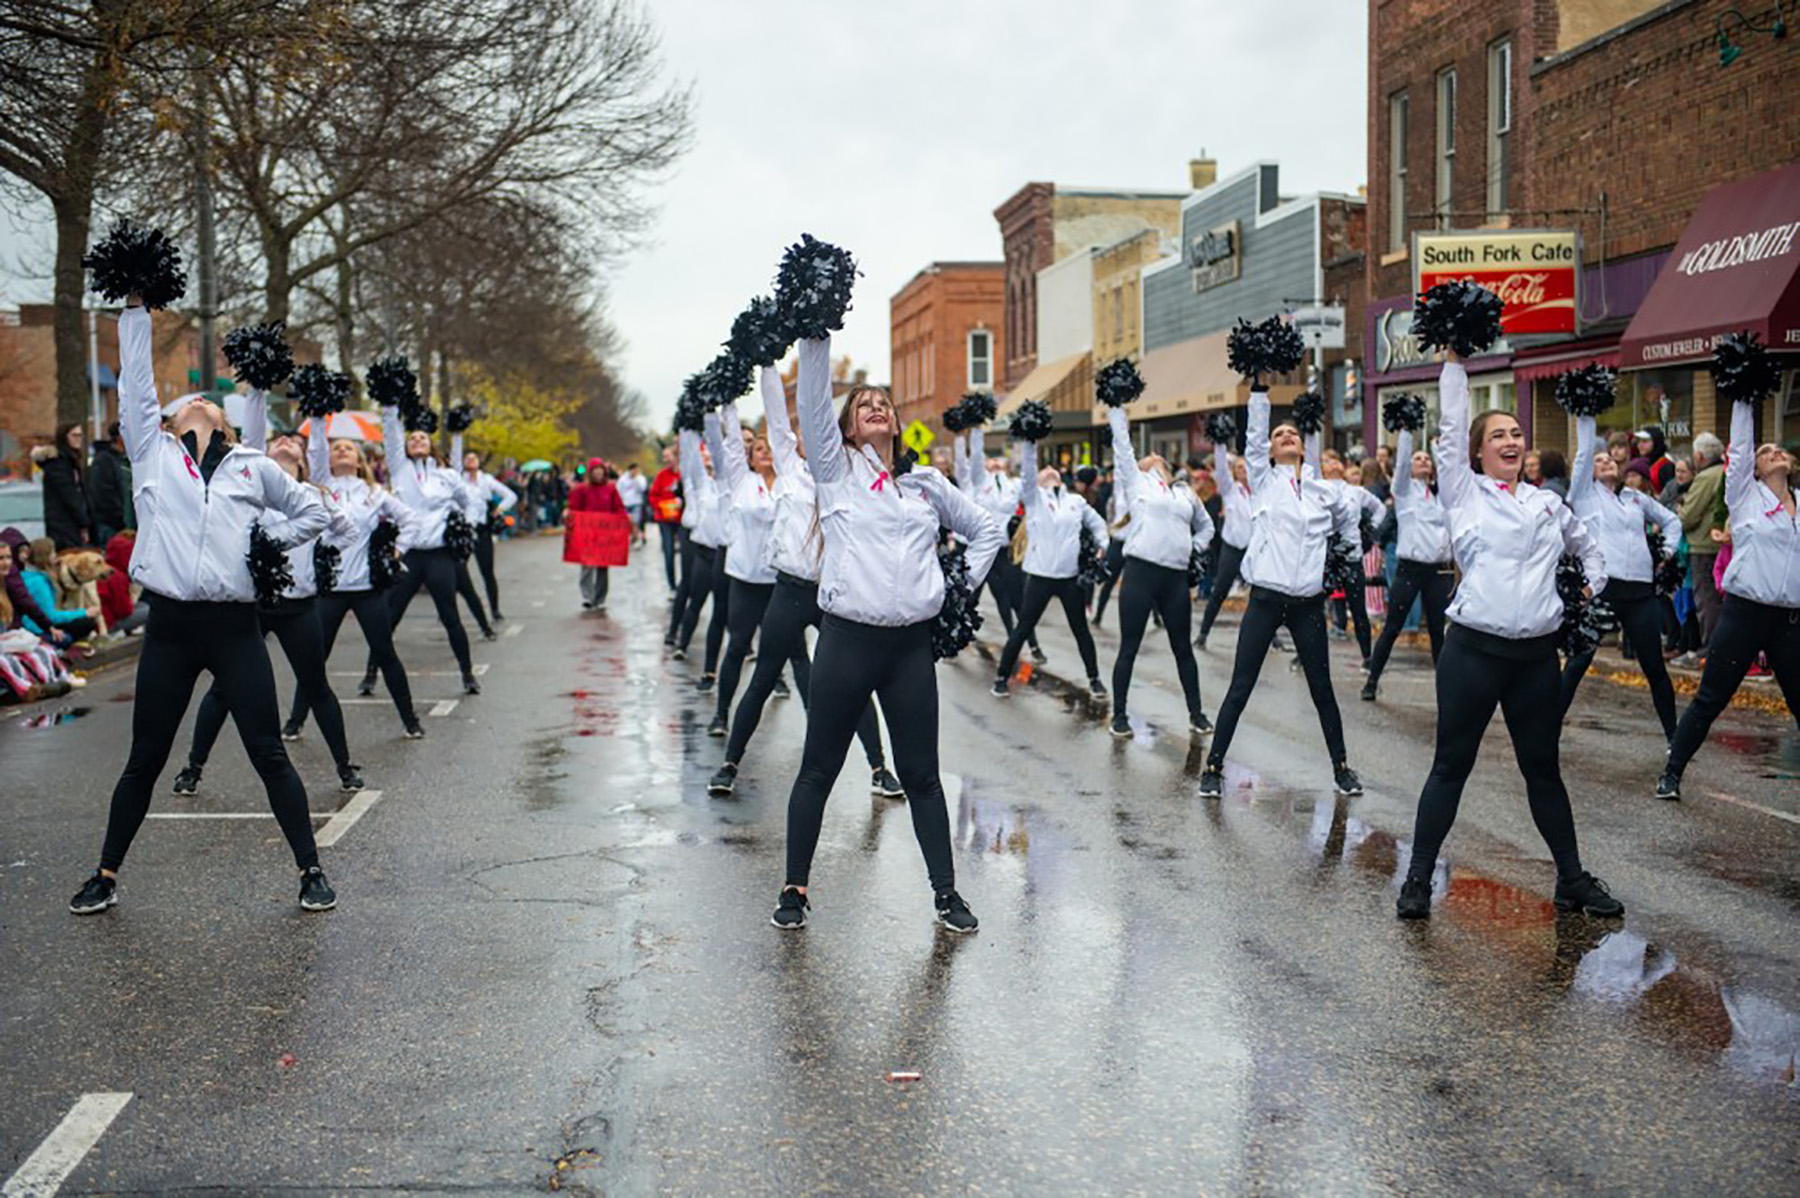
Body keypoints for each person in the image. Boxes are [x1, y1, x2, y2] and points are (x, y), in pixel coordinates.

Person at [71, 295, 335, 916]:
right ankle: (105, 874)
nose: (195, 403)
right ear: (168, 421)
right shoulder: (151, 455)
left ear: (225, 419)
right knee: (146, 758)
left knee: (268, 751)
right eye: (185, 402)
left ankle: (311, 870)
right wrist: (135, 309)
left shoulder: (251, 466)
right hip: (169, 628)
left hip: (234, 628)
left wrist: (269, 544)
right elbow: (135, 385)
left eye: (205, 401)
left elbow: (315, 510)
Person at [773, 334, 1002, 934]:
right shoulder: (834, 470)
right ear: (849, 428)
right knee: (818, 769)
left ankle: (946, 895)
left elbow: (987, 531)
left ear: (897, 424)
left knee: (922, 775)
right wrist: (815, 336)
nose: (876, 407)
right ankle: (794, 888)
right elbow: (816, 407)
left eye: (884, 403)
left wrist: (958, 592)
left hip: (908, 650)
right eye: (863, 404)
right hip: (846, 642)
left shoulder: (925, 484)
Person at [1396, 352, 1619, 921]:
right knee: (1451, 766)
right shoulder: (1463, 493)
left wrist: (1585, 592)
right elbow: (1450, 422)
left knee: (1543, 769)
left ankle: (1571, 879)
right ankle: (1418, 878)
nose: (1512, 440)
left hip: (1535, 659)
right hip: (1472, 651)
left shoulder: (1547, 502)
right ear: (1476, 451)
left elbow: (1590, 551)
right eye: (1498, 434)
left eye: (1517, 432)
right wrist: (1453, 361)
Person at [708, 364, 901, 800]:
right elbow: (779, 416)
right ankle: (729, 764)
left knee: (854, 684)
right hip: (790, 591)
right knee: (762, 679)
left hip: (833, 596)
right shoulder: (791, 470)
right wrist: (768, 363)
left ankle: (879, 768)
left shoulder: (846, 474)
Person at [179, 391, 364, 796]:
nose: (283, 443)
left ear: (301, 461)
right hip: (255, 607)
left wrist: (321, 556)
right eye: (276, 441)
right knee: (224, 689)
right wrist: (258, 392)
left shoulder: (313, 496)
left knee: (316, 686)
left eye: (291, 444)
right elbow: (252, 442)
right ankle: (192, 767)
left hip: (299, 607)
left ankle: (344, 767)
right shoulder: (252, 485)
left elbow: (345, 532)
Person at [1199, 386, 1362, 800]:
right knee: (1242, 685)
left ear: (1305, 447)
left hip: (1309, 604)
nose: (1286, 435)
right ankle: (1213, 767)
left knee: (1322, 688)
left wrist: (1346, 560)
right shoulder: (1264, 480)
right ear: (1269, 453)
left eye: (1293, 432)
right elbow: (1254, 438)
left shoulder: (1325, 490)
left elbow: (1351, 522)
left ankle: (1341, 768)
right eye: (1279, 435)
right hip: (1266, 600)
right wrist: (1258, 388)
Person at [1656, 411, 1798, 800]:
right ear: (1754, 466)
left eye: (1779, 448)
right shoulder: (1744, 497)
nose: (1774, 452)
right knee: (1711, 697)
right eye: (1765, 450)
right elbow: (1737, 447)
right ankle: (1671, 772)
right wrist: (1745, 399)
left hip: (1789, 620)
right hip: (1744, 613)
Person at [285, 418, 424, 740]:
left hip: (367, 590)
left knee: (385, 652)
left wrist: (397, 552)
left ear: (359, 459)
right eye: (337, 448)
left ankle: (410, 720)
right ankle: (295, 721)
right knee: (314, 658)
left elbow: (410, 520)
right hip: (329, 590)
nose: (343, 450)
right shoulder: (319, 488)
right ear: (328, 459)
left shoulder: (374, 494)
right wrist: (319, 423)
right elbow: (316, 450)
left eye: (349, 447)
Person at [1558, 411, 1685, 740]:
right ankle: (1546, 729)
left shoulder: (1634, 497)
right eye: (1599, 461)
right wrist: (1586, 416)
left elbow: (1672, 522)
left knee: (1655, 668)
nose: (1605, 463)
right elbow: (1584, 454)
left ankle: (1675, 738)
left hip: (1640, 593)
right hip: (1604, 590)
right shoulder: (1584, 496)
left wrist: (1666, 552)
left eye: (1609, 460)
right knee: (1578, 663)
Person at [1103, 397, 1215, 739]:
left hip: (1175, 577)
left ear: (1165, 466)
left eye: (1156, 461)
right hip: (1140, 571)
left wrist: (1192, 548)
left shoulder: (1185, 494)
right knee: (1130, 646)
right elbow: (1122, 446)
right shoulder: (1136, 483)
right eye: (1144, 461)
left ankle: (1196, 714)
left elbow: (1207, 528)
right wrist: (1116, 408)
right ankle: (1119, 715)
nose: (1151, 463)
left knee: (1182, 647)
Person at [990, 437, 1110, 699]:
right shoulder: (1034, 499)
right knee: (1023, 628)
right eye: (1045, 471)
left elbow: (1099, 524)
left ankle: (1094, 679)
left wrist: (1103, 545)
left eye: (1053, 470)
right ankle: (1001, 677)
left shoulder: (1075, 501)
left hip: (1069, 578)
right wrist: (1031, 441)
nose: (1050, 471)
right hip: (1040, 578)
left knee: (1081, 630)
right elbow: (1029, 472)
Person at [376, 400, 481, 695]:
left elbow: (468, 501)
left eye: (422, 437)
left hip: (438, 555)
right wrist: (390, 406)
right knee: (389, 615)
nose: (417, 440)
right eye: (412, 438)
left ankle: (467, 674)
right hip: (408, 554)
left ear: (431, 444)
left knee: (450, 615)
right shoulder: (400, 469)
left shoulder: (446, 475)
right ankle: (371, 673)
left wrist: (467, 524)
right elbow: (391, 436)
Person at [704, 404, 795, 736]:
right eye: (759, 449)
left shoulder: (789, 483)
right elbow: (728, 445)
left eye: (770, 448)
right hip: (745, 580)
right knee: (738, 645)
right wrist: (728, 404)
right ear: (751, 457)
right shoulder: (741, 481)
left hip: (781, 582)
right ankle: (721, 714)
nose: (766, 453)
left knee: (797, 652)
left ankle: (818, 726)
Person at [1362, 424, 1453, 700]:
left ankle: (1445, 690)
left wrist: (1437, 448)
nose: (1423, 461)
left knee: (1438, 630)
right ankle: (1372, 680)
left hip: (1439, 570)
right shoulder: (1403, 492)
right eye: (1419, 458)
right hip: (1410, 569)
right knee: (1393, 626)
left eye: (1427, 459)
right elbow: (1401, 464)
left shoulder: (1442, 496)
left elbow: (1449, 473)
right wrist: (1406, 432)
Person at [957, 424, 1038, 661]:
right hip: (980, 549)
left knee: (1013, 599)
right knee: (969, 597)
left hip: (1003, 551)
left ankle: (1027, 643)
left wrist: (1029, 441)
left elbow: (1029, 478)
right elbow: (967, 464)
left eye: (1000, 462)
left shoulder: (1013, 487)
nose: (995, 464)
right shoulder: (979, 483)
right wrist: (974, 430)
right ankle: (955, 637)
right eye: (991, 462)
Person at [670, 419, 725, 664]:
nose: (709, 462)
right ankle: (680, 641)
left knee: (726, 609)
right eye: (706, 460)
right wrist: (687, 427)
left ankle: (741, 651)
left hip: (724, 555)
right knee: (693, 596)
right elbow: (689, 461)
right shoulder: (699, 485)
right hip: (700, 549)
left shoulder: (728, 485)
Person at [1196, 444, 1251, 649]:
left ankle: (1273, 638)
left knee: (1262, 594)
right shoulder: (1230, 490)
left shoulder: (1261, 490)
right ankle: (1203, 632)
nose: (1244, 471)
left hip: (1253, 549)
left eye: (1247, 468)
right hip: (1232, 547)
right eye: (1239, 468)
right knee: (1220, 590)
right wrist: (1219, 445)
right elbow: (1220, 470)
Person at [460, 446, 518, 620]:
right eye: (467, 458)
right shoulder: (458, 480)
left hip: (482, 530)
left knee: (487, 571)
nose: (470, 461)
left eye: (474, 458)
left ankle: (495, 609)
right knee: (457, 571)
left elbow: (511, 496)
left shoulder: (486, 480)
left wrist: (499, 509)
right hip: (463, 530)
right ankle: (448, 608)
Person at [1682, 431, 1727, 649]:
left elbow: (1689, 515)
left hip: (1704, 544)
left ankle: (1711, 647)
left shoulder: (1706, 477)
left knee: (1707, 599)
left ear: (1699, 456)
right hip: (1724, 544)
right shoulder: (1726, 472)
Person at [569, 457, 625, 610]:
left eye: (601, 470)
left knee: (602, 566)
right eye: (595, 471)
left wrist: (621, 519)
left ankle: (599, 598)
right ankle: (588, 596)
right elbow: (574, 508)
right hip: (587, 532)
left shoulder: (611, 488)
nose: (598, 473)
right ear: (590, 473)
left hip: (605, 534)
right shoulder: (582, 489)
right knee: (587, 565)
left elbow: (618, 507)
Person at [19, 538, 101, 641]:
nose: (55, 555)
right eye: (53, 552)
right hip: (38, 630)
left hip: (32, 626)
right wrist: (85, 613)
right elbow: (51, 617)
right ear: (45, 556)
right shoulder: (39, 582)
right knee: (87, 623)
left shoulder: (26, 575)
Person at [37, 422, 94, 549]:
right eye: (74, 435)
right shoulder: (59, 464)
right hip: (64, 526)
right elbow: (70, 496)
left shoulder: (70, 461)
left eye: (80, 435)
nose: (78, 439)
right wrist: (84, 522)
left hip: (70, 524)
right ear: (64, 437)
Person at [87, 422, 134, 545]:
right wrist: (121, 519)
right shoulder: (104, 461)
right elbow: (103, 495)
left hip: (124, 526)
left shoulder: (125, 460)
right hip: (111, 527)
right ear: (120, 437)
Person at [649, 447, 683, 590]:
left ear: (676, 457)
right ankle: (672, 585)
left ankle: (685, 584)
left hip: (681, 520)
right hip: (665, 520)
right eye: (663, 457)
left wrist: (681, 502)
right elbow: (652, 496)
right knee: (668, 552)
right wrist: (661, 505)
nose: (665, 460)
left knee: (686, 554)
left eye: (667, 456)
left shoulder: (684, 474)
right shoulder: (661, 475)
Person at [616, 462, 649, 547]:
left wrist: (636, 480)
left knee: (635, 522)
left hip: (637, 503)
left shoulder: (640, 478)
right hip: (625, 503)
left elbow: (643, 488)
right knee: (628, 522)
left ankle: (636, 538)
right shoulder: (623, 479)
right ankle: (632, 537)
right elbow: (619, 490)